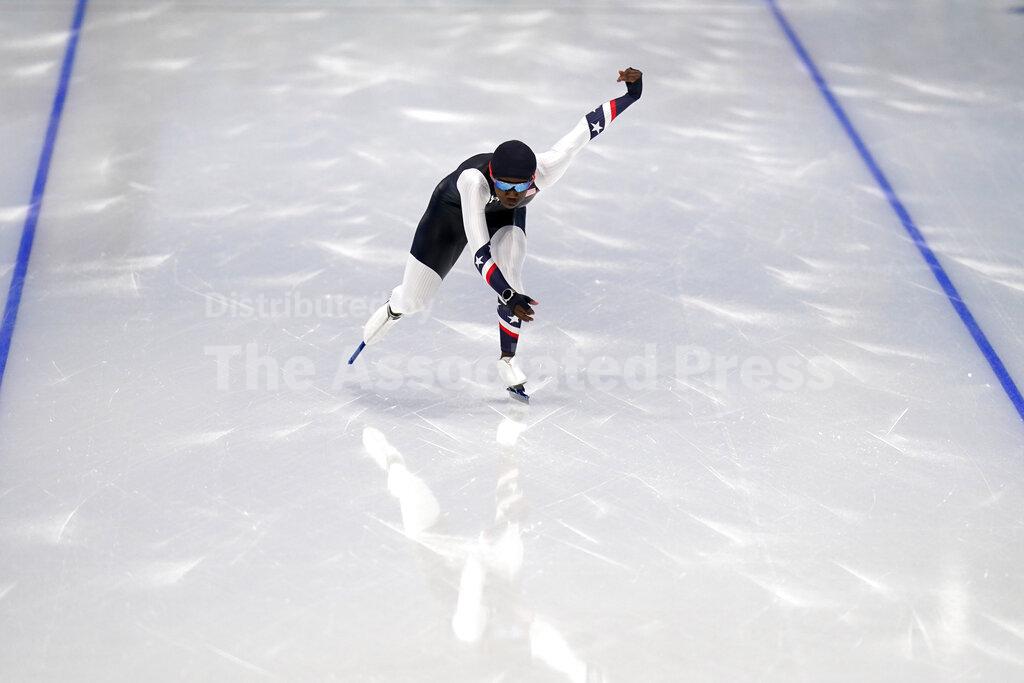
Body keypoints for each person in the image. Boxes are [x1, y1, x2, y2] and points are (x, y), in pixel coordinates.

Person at [353, 67, 644, 403]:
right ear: (493, 175)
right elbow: (480, 254)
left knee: (513, 268)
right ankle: (394, 308)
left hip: (501, 218)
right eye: (504, 185)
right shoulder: (473, 182)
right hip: (451, 214)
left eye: (520, 187)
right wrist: (507, 295)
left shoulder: (545, 170)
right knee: (415, 300)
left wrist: (632, 94)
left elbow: (586, 128)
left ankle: (507, 360)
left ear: (532, 177)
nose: (511, 194)